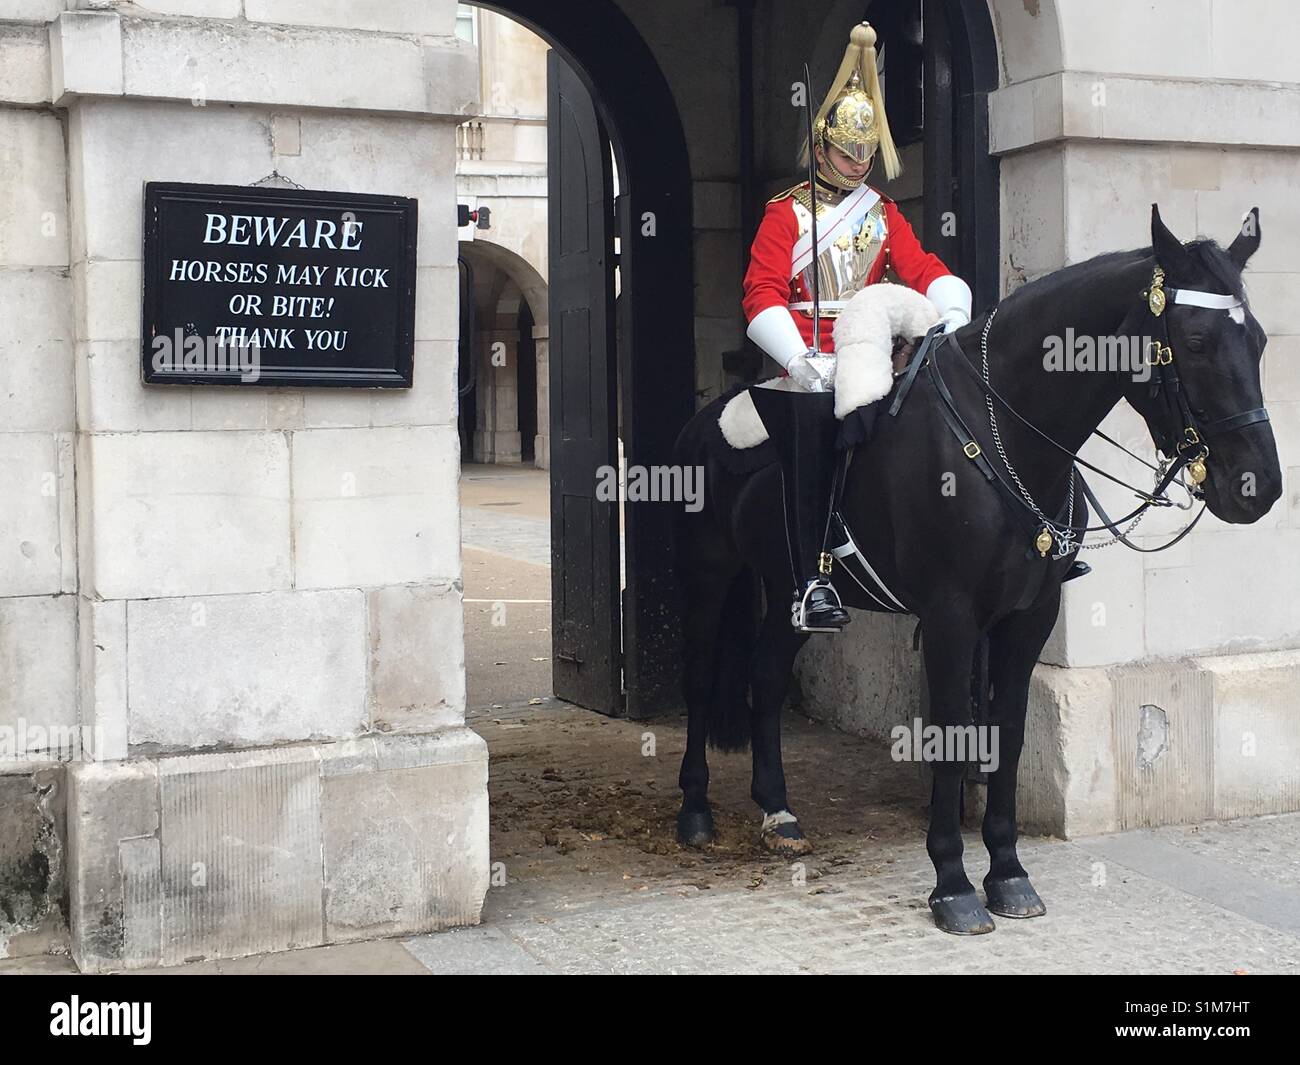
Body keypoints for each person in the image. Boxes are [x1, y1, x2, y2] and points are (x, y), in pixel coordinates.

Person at [742, 21, 971, 632]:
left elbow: (920, 268)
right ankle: (813, 578)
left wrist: (950, 304)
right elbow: (761, 293)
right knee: (817, 429)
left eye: (867, 153)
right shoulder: (785, 214)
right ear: (821, 149)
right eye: (848, 153)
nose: (859, 164)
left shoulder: (882, 213)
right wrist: (797, 359)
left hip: (872, 350)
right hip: (810, 355)